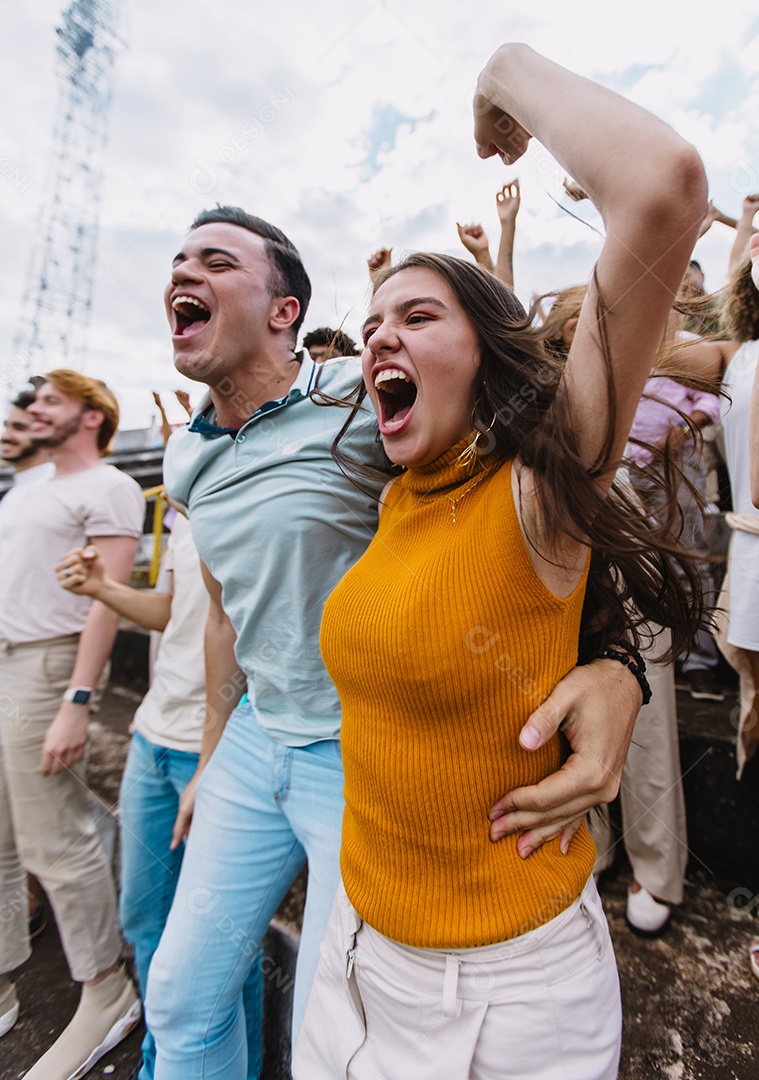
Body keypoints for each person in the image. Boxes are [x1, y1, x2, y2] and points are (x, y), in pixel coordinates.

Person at [142, 201, 652, 1078]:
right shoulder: (187, 463)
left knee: (332, 1013)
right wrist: (210, 756)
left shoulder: (357, 403)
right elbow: (227, 614)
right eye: (179, 259)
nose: (184, 273)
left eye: (218, 261)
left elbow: (521, 526)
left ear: (284, 311)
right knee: (180, 996)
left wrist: (615, 667)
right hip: (255, 739)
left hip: (362, 753)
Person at [294, 41, 706, 1079]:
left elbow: (663, 190)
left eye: (419, 317)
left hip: (501, 1003)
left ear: (491, 353)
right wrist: (611, 666)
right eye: (374, 321)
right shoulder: (392, 499)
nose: (381, 337)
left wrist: (503, 73)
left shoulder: (540, 486)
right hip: (349, 960)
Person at [55, 511, 264, 1080]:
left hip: (221, 744)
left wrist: (211, 758)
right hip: (152, 737)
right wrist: (102, 587)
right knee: (145, 917)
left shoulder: (263, 484)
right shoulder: (182, 509)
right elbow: (175, 613)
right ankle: (161, 1059)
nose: (183, 419)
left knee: (225, 943)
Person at [0, 370, 145, 1079]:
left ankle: (103, 989)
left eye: (51, 401)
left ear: (92, 416)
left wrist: (78, 701)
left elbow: (104, 601)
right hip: (4, 656)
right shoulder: (28, 490)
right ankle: (3, 982)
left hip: (49, 664)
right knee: (0, 836)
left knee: (56, 836)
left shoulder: (111, 487)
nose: (34, 410)